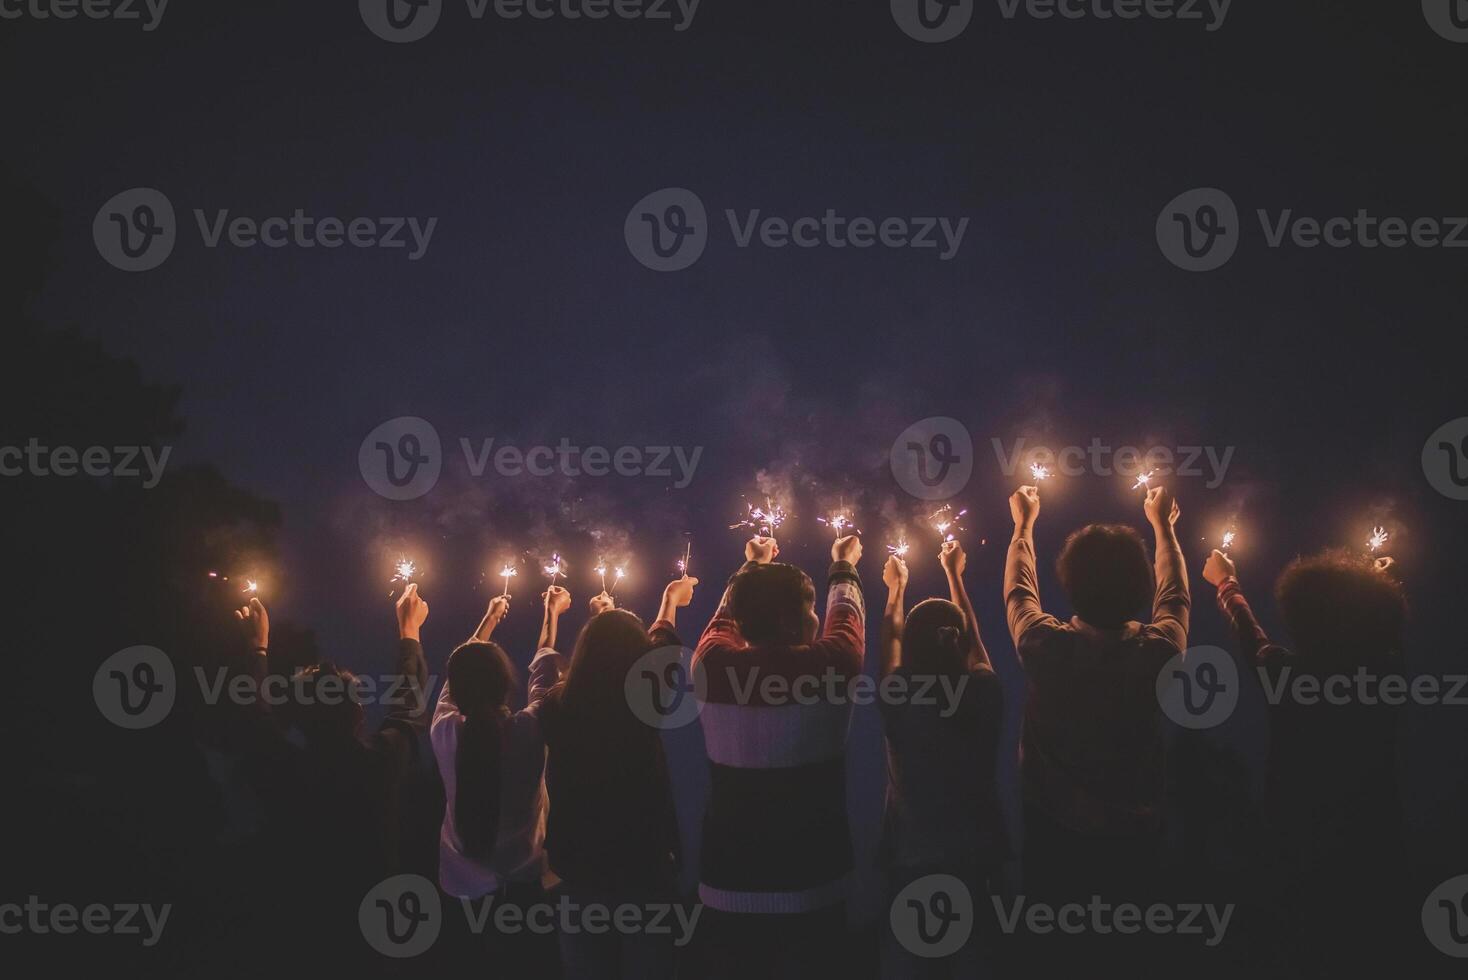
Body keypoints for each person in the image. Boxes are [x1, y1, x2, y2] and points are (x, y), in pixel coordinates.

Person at [1200, 547, 1410, 974]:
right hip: (1377, 862)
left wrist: (1227, 585)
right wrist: (1377, 583)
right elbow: (1378, 630)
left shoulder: (1287, 679)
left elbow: (1250, 636)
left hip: (1295, 860)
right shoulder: (1390, 677)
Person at [689, 533, 865, 979]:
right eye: (809, 611)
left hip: (727, 886)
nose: (815, 618)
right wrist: (842, 567)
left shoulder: (712, 669)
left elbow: (722, 622)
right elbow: (847, 622)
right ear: (792, 622)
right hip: (816, 886)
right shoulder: (829, 669)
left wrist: (750, 569)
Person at [1003, 483, 1189, 904]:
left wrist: (1023, 525)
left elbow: (1019, 591)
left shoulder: (1043, 646)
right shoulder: (1160, 653)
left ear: (1069, 583)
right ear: (1141, 586)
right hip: (1137, 842)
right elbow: (1176, 594)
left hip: (1054, 839)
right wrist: (1164, 528)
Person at [540, 575, 700, 980]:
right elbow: (661, 650)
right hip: (642, 869)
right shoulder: (643, 701)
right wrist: (668, 599)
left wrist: (595, 621)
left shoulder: (555, 708)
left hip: (579, 872)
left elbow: (548, 667)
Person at [879, 540, 1009, 978]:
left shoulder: (898, 697)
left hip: (910, 868)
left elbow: (891, 639)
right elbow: (974, 647)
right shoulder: (984, 694)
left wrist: (895, 590)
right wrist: (956, 575)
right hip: (975, 867)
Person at [431, 586, 568, 909]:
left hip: (460, 891)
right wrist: (551, 612)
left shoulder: (444, 730)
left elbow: (458, 675)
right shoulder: (529, 730)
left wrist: (488, 619)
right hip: (525, 892)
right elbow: (544, 673)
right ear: (507, 685)